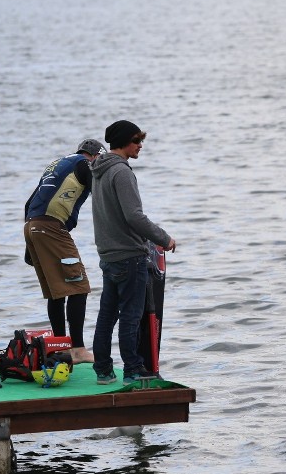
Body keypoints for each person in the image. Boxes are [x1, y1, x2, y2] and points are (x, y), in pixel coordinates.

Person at [90, 120, 176, 385]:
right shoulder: (122, 172)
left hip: (108, 255)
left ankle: (103, 371)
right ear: (125, 142)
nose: (140, 146)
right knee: (131, 316)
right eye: (137, 141)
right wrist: (164, 238)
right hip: (129, 256)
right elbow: (134, 217)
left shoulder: (98, 170)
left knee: (107, 315)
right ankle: (133, 371)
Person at [24, 138, 106, 365]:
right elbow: (102, 195)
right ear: (96, 156)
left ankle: (59, 347)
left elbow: (28, 202)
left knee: (56, 292)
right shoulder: (85, 165)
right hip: (51, 227)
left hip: (32, 226)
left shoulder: (56, 165)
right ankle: (78, 350)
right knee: (79, 287)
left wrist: (28, 245)